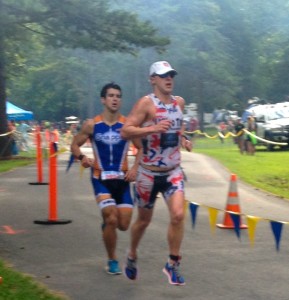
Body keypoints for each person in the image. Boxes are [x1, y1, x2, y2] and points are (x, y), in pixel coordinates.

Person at [121, 61, 192, 286]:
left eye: (171, 75)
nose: (168, 79)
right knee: (143, 221)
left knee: (179, 215)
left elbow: (175, 127)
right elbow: (125, 131)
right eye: (163, 76)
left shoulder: (179, 102)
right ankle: (132, 254)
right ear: (153, 79)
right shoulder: (146, 104)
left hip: (173, 172)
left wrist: (183, 138)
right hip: (148, 175)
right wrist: (150, 128)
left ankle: (172, 263)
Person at [70, 82, 141, 275]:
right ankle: (112, 260)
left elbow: (141, 147)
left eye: (118, 96)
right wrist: (83, 158)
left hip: (123, 181)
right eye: (111, 95)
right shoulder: (92, 125)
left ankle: (107, 225)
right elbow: (74, 145)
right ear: (103, 100)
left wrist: (135, 168)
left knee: (123, 224)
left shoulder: (127, 126)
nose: (115, 99)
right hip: (100, 178)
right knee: (111, 218)